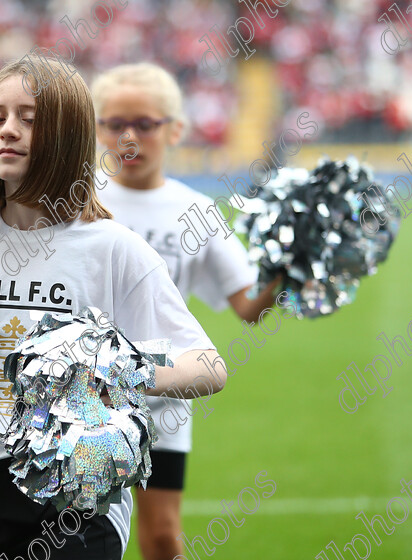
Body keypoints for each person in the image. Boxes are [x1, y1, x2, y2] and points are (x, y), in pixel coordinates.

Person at [0, 56, 227, 560]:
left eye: (28, 119)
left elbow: (209, 366)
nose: (8, 130)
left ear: (68, 135)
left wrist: (116, 369)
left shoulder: (113, 247)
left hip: (79, 500)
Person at [90, 62, 280, 560]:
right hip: (79, 394)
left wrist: (288, 265)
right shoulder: (77, 199)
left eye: (145, 124)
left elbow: (248, 306)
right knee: (70, 537)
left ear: (175, 129)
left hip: (162, 397)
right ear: (95, 128)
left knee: (161, 538)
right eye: (113, 123)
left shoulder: (197, 212)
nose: (128, 136)